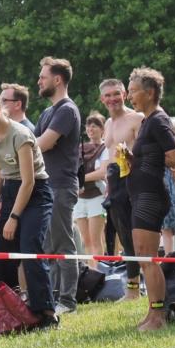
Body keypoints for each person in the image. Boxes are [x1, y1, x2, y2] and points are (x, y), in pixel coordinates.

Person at [0, 81, 57, 328]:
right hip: (10, 191)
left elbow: (28, 181)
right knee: (0, 253)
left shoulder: (21, 135)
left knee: (30, 248)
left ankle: (46, 313)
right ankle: (2, 309)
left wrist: (14, 217)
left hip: (35, 193)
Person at [125, 68, 175, 330]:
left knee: (148, 256)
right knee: (142, 255)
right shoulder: (147, 120)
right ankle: (152, 312)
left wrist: (155, 159)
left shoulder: (158, 120)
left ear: (150, 93)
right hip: (141, 193)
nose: (129, 95)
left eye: (133, 90)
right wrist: (133, 160)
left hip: (151, 196)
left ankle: (159, 316)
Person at [35, 57, 82, 315]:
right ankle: (52, 298)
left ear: (57, 79)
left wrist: (19, 147)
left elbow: (43, 143)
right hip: (47, 187)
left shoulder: (66, 110)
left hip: (62, 186)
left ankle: (68, 302)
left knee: (64, 244)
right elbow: (34, 141)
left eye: (43, 77)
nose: (39, 81)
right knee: (49, 247)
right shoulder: (47, 112)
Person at [101, 78, 144, 299]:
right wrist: (108, 186)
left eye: (116, 94)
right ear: (102, 99)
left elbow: (148, 152)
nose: (112, 99)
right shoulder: (107, 124)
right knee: (124, 236)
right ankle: (133, 288)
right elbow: (110, 159)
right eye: (108, 95)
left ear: (124, 94)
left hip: (135, 178)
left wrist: (131, 158)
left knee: (140, 235)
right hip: (114, 180)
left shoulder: (137, 118)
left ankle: (147, 284)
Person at [74, 112, 109, 264]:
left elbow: (102, 172)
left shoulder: (106, 148)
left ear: (102, 129)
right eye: (88, 125)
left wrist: (80, 180)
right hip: (79, 199)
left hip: (97, 197)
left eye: (95, 125)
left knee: (96, 240)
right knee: (85, 241)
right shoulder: (79, 148)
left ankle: (98, 273)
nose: (91, 128)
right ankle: (90, 273)